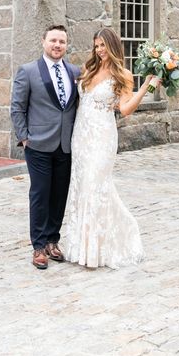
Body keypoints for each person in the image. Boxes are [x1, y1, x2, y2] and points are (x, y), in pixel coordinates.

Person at [63, 27, 161, 269]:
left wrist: (147, 85)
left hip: (103, 137)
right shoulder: (88, 69)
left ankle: (102, 248)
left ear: (113, 46)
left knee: (97, 187)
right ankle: (81, 248)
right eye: (96, 46)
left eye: (103, 46)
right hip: (81, 136)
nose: (99, 50)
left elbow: (126, 109)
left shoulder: (123, 75)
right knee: (82, 187)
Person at [10, 25, 81, 270]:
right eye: (53, 40)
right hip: (38, 145)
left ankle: (53, 240)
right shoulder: (28, 71)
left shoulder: (74, 71)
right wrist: (24, 137)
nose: (57, 45)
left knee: (59, 195)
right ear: (43, 42)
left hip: (66, 144)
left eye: (62, 41)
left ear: (66, 44)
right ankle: (38, 246)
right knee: (40, 195)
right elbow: (17, 107)